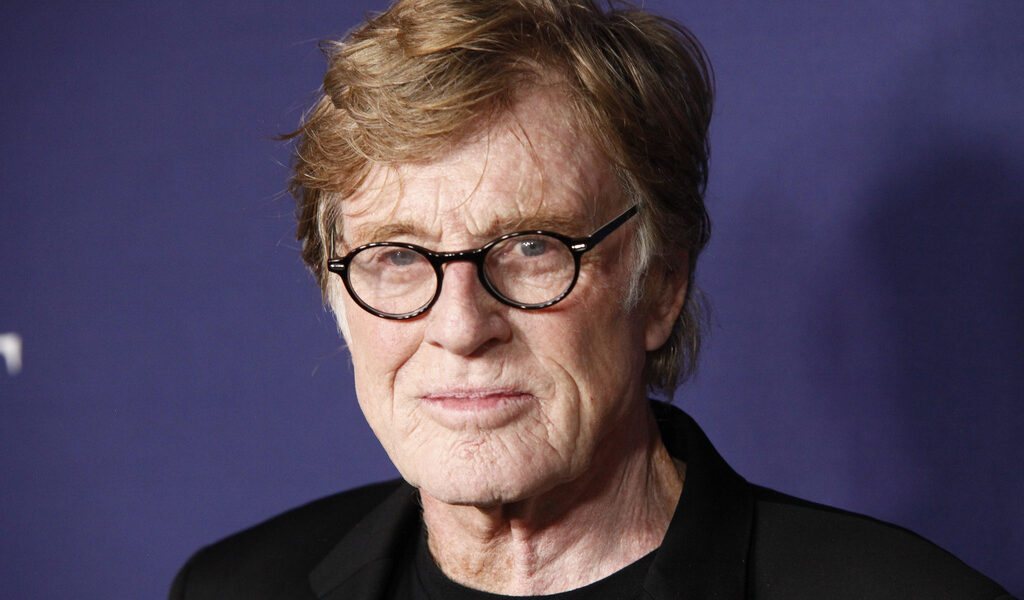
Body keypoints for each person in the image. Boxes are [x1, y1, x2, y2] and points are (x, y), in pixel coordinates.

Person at [170, 1, 1014, 598]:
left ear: (661, 287)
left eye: (532, 248)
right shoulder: (236, 588)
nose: (460, 326)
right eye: (396, 256)